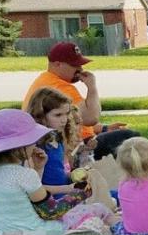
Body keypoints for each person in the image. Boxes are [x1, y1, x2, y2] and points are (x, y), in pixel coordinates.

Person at [0, 109, 117, 235]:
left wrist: (39, 168)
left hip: (3, 228)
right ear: (18, 146)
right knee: (96, 209)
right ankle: (119, 227)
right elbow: (51, 212)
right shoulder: (24, 174)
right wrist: (81, 194)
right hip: (35, 229)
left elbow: (29, 194)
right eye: (31, 140)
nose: (34, 144)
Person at [21, 41, 138, 159]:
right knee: (132, 138)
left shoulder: (46, 79)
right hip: (75, 149)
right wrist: (92, 87)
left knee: (123, 138)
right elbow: (91, 118)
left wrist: (104, 128)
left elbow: (76, 121)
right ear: (58, 64)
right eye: (75, 65)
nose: (80, 69)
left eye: (80, 64)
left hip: (70, 142)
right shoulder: (59, 87)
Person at [24, 87, 114, 219]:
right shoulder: (35, 147)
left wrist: (74, 176)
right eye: (58, 115)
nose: (64, 120)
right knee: (103, 203)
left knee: (107, 191)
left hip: (66, 191)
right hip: (50, 201)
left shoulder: (56, 138)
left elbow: (57, 173)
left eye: (66, 114)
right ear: (40, 115)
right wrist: (69, 188)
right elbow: (33, 188)